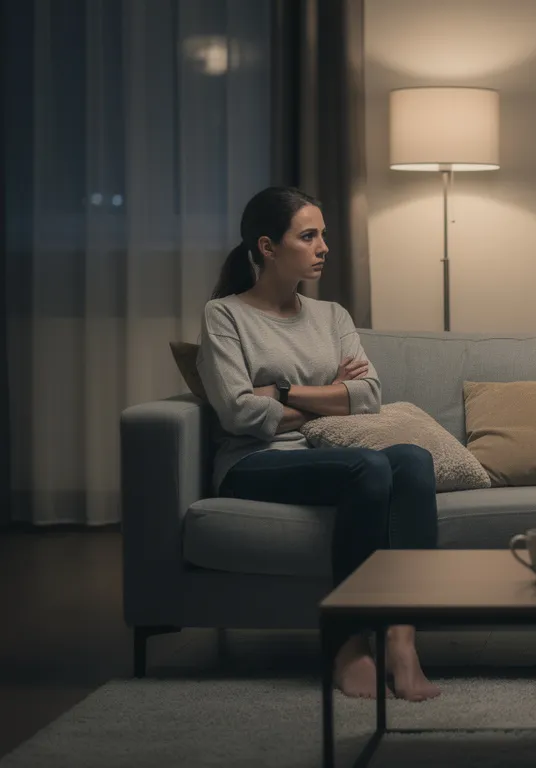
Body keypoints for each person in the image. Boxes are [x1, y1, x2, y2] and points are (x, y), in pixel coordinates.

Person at [196, 186, 441, 702]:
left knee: (414, 461)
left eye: (323, 235)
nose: (323, 246)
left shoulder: (332, 316)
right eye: (309, 236)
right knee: (369, 467)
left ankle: (402, 639)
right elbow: (239, 411)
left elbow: (368, 397)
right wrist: (332, 391)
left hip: (328, 452)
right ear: (267, 247)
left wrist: (282, 391)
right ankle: (348, 646)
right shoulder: (225, 316)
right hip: (253, 462)